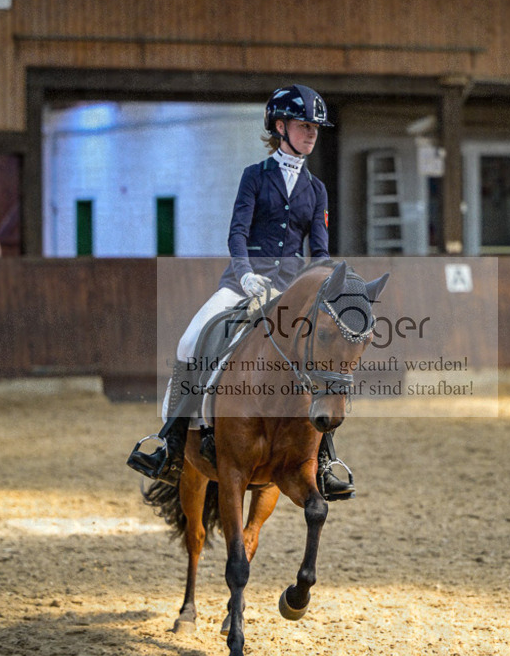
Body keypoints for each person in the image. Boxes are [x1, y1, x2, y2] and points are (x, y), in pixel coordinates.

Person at [127, 84, 355, 500]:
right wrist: (246, 273)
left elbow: (320, 251)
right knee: (190, 341)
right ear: (281, 127)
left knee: (319, 364)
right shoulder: (255, 176)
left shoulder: (316, 189)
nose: (311, 134)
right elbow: (237, 233)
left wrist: (320, 286)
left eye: (315, 128)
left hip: (288, 293)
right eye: (304, 126)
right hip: (243, 285)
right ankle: (170, 443)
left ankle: (324, 462)